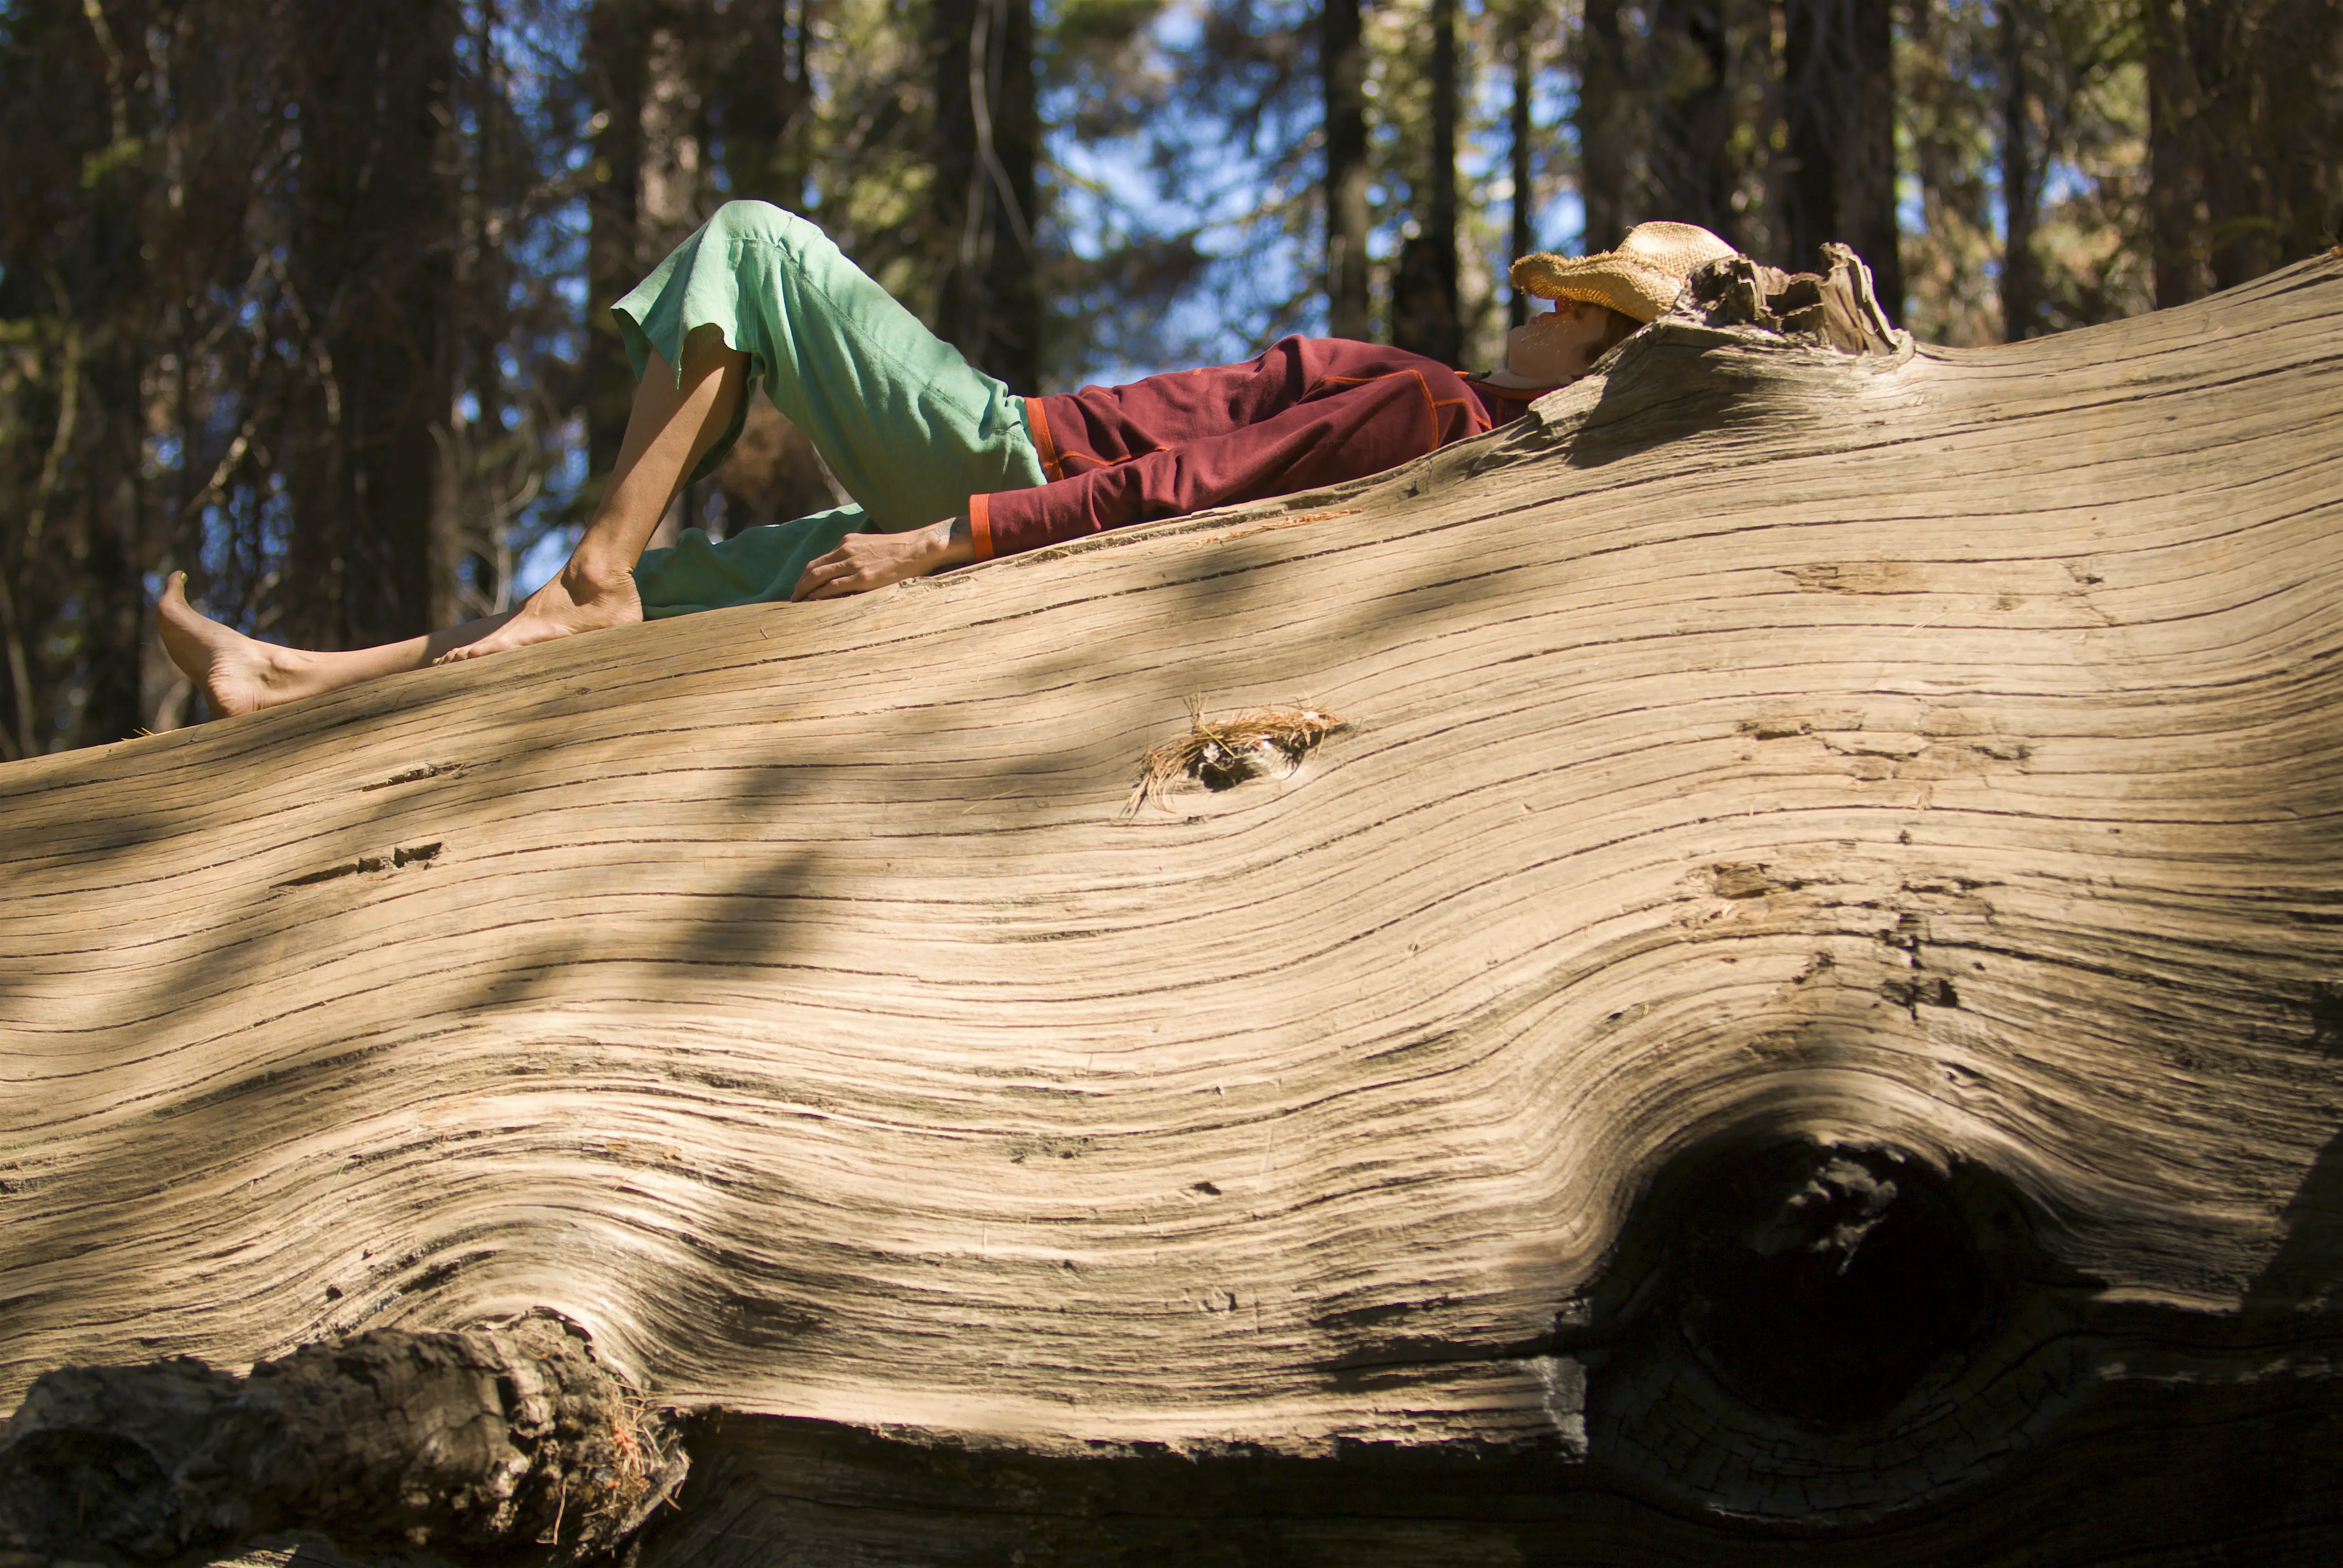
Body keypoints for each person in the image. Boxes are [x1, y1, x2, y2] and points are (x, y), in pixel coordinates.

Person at [158, 210, 1733, 717]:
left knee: (757, 246)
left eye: (1567, 307)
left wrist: (952, 536)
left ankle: (587, 572)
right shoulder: (1458, 425)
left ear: (1603, 349)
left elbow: (1190, 489)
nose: (1532, 312)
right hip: (1000, 491)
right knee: (699, 595)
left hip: (1005, 466)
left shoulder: (1436, 414)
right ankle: (302, 684)